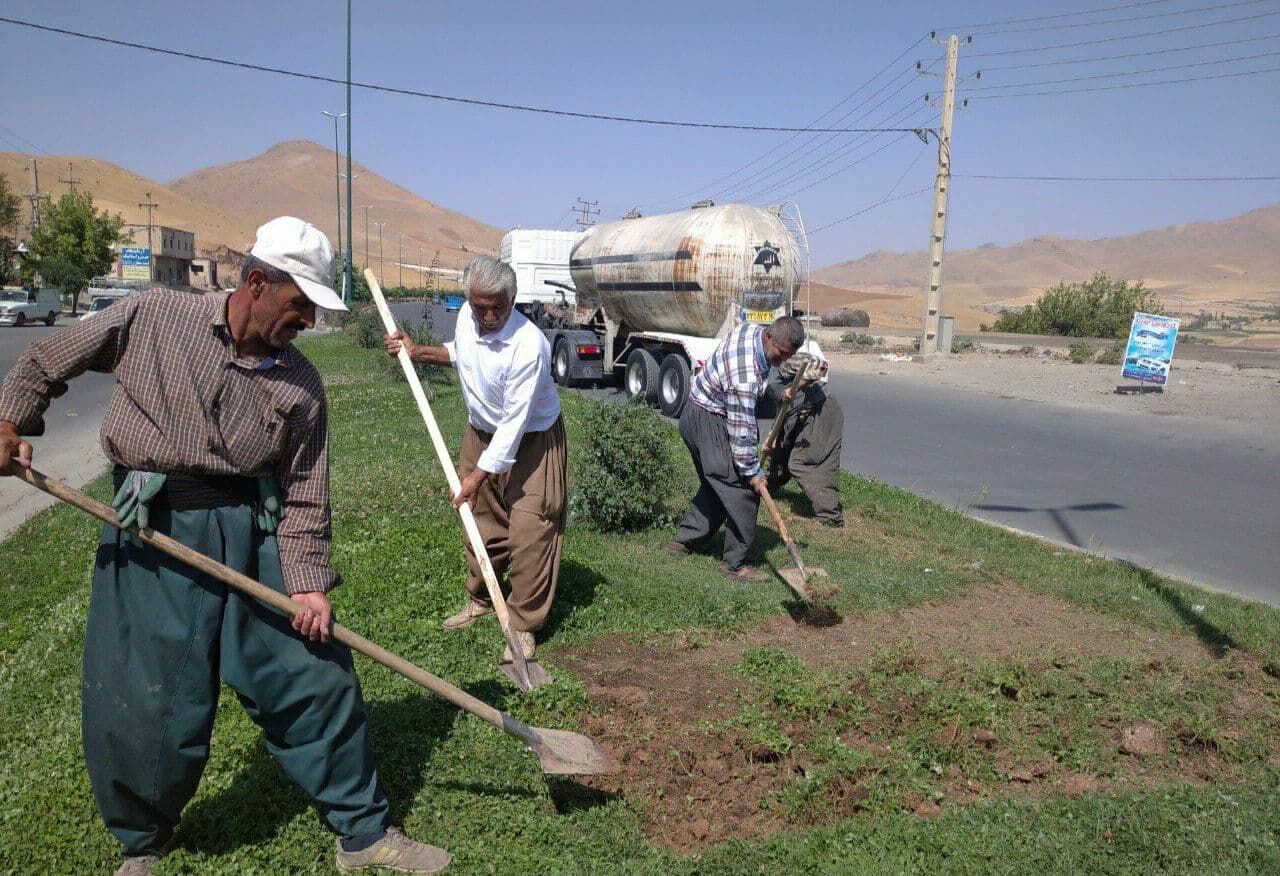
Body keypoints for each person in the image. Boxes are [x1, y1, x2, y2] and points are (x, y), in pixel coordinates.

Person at [0, 217, 450, 875]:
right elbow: (48, 359)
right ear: (258, 282)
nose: (306, 324)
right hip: (149, 523)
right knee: (145, 692)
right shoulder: (155, 315)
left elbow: (303, 495)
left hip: (251, 529)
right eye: (300, 306)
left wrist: (307, 584)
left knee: (313, 676)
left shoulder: (301, 386)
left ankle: (364, 834)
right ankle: (143, 844)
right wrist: (9, 420)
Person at [384, 256, 565, 663]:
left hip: (533, 442)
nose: (486, 316)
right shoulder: (469, 316)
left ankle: (521, 626)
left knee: (530, 530)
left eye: (495, 307)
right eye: (478, 305)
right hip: (480, 434)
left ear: (512, 300)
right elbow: (461, 351)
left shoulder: (529, 345)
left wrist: (476, 477)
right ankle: (483, 597)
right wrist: (418, 352)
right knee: (480, 525)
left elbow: (513, 428)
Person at [668, 315, 804, 581]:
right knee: (741, 487)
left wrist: (778, 393)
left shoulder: (754, 333)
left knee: (717, 484)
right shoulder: (744, 373)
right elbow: (741, 431)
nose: (784, 361)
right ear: (769, 337)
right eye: (782, 353)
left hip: (699, 413)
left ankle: (686, 540)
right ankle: (735, 564)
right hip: (707, 420)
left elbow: (757, 389)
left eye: (789, 355)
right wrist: (753, 472)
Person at [760, 339, 845, 527]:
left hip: (820, 412)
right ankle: (768, 486)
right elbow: (779, 407)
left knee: (805, 462)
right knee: (778, 450)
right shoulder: (760, 378)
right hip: (797, 415)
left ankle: (829, 516)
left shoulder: (783, 364)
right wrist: (771, 436)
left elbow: (820, 366)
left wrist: (795, 387)